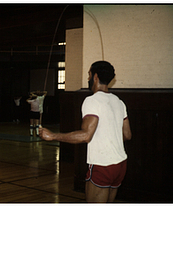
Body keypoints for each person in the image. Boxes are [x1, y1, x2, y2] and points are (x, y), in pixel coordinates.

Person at [40, 61, 132, 203]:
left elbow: (86, 136)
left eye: (89, 75)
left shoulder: (92, 101)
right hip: (120, 165)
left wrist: (52, 136)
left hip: (102, 165)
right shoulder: (119, 101)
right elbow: (127, 135)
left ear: (95, 77)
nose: (88, 78)